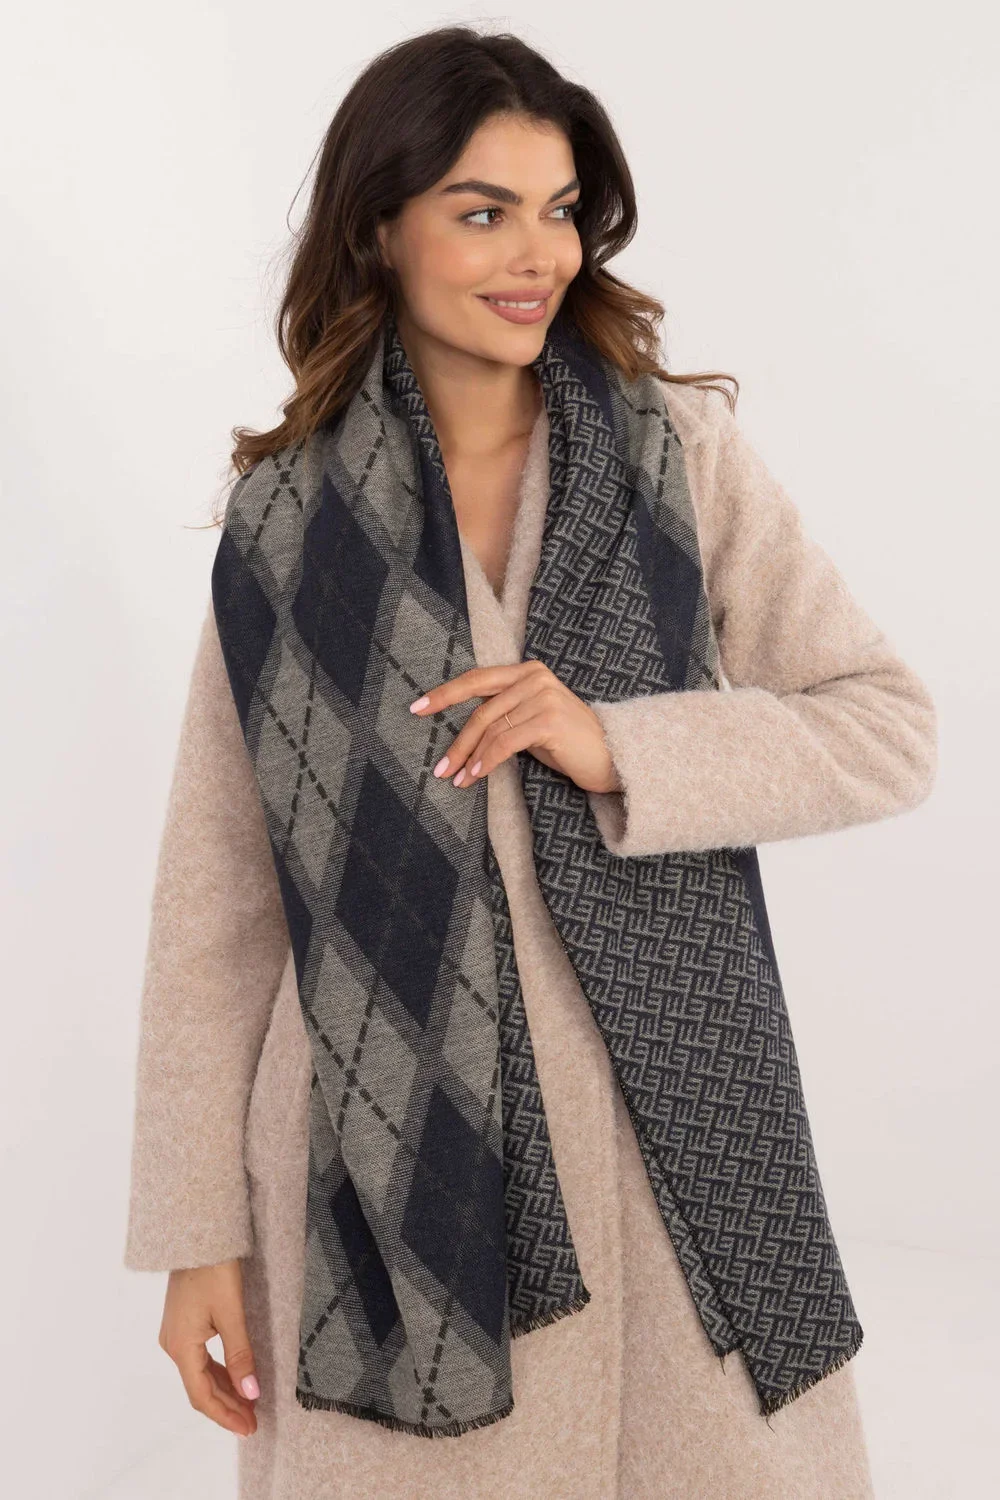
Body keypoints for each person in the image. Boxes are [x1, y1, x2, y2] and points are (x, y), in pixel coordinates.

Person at [123, 24, 937, 1499]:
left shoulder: (676, 457)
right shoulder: (291, 522)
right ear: (381, 228)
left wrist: (617, 742)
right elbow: (218, 900)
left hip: (677, 1142)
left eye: (559, 210)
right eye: (482, 210)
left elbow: (884, 724)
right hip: (382, 1161)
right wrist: (196, 1236)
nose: (536, 254)